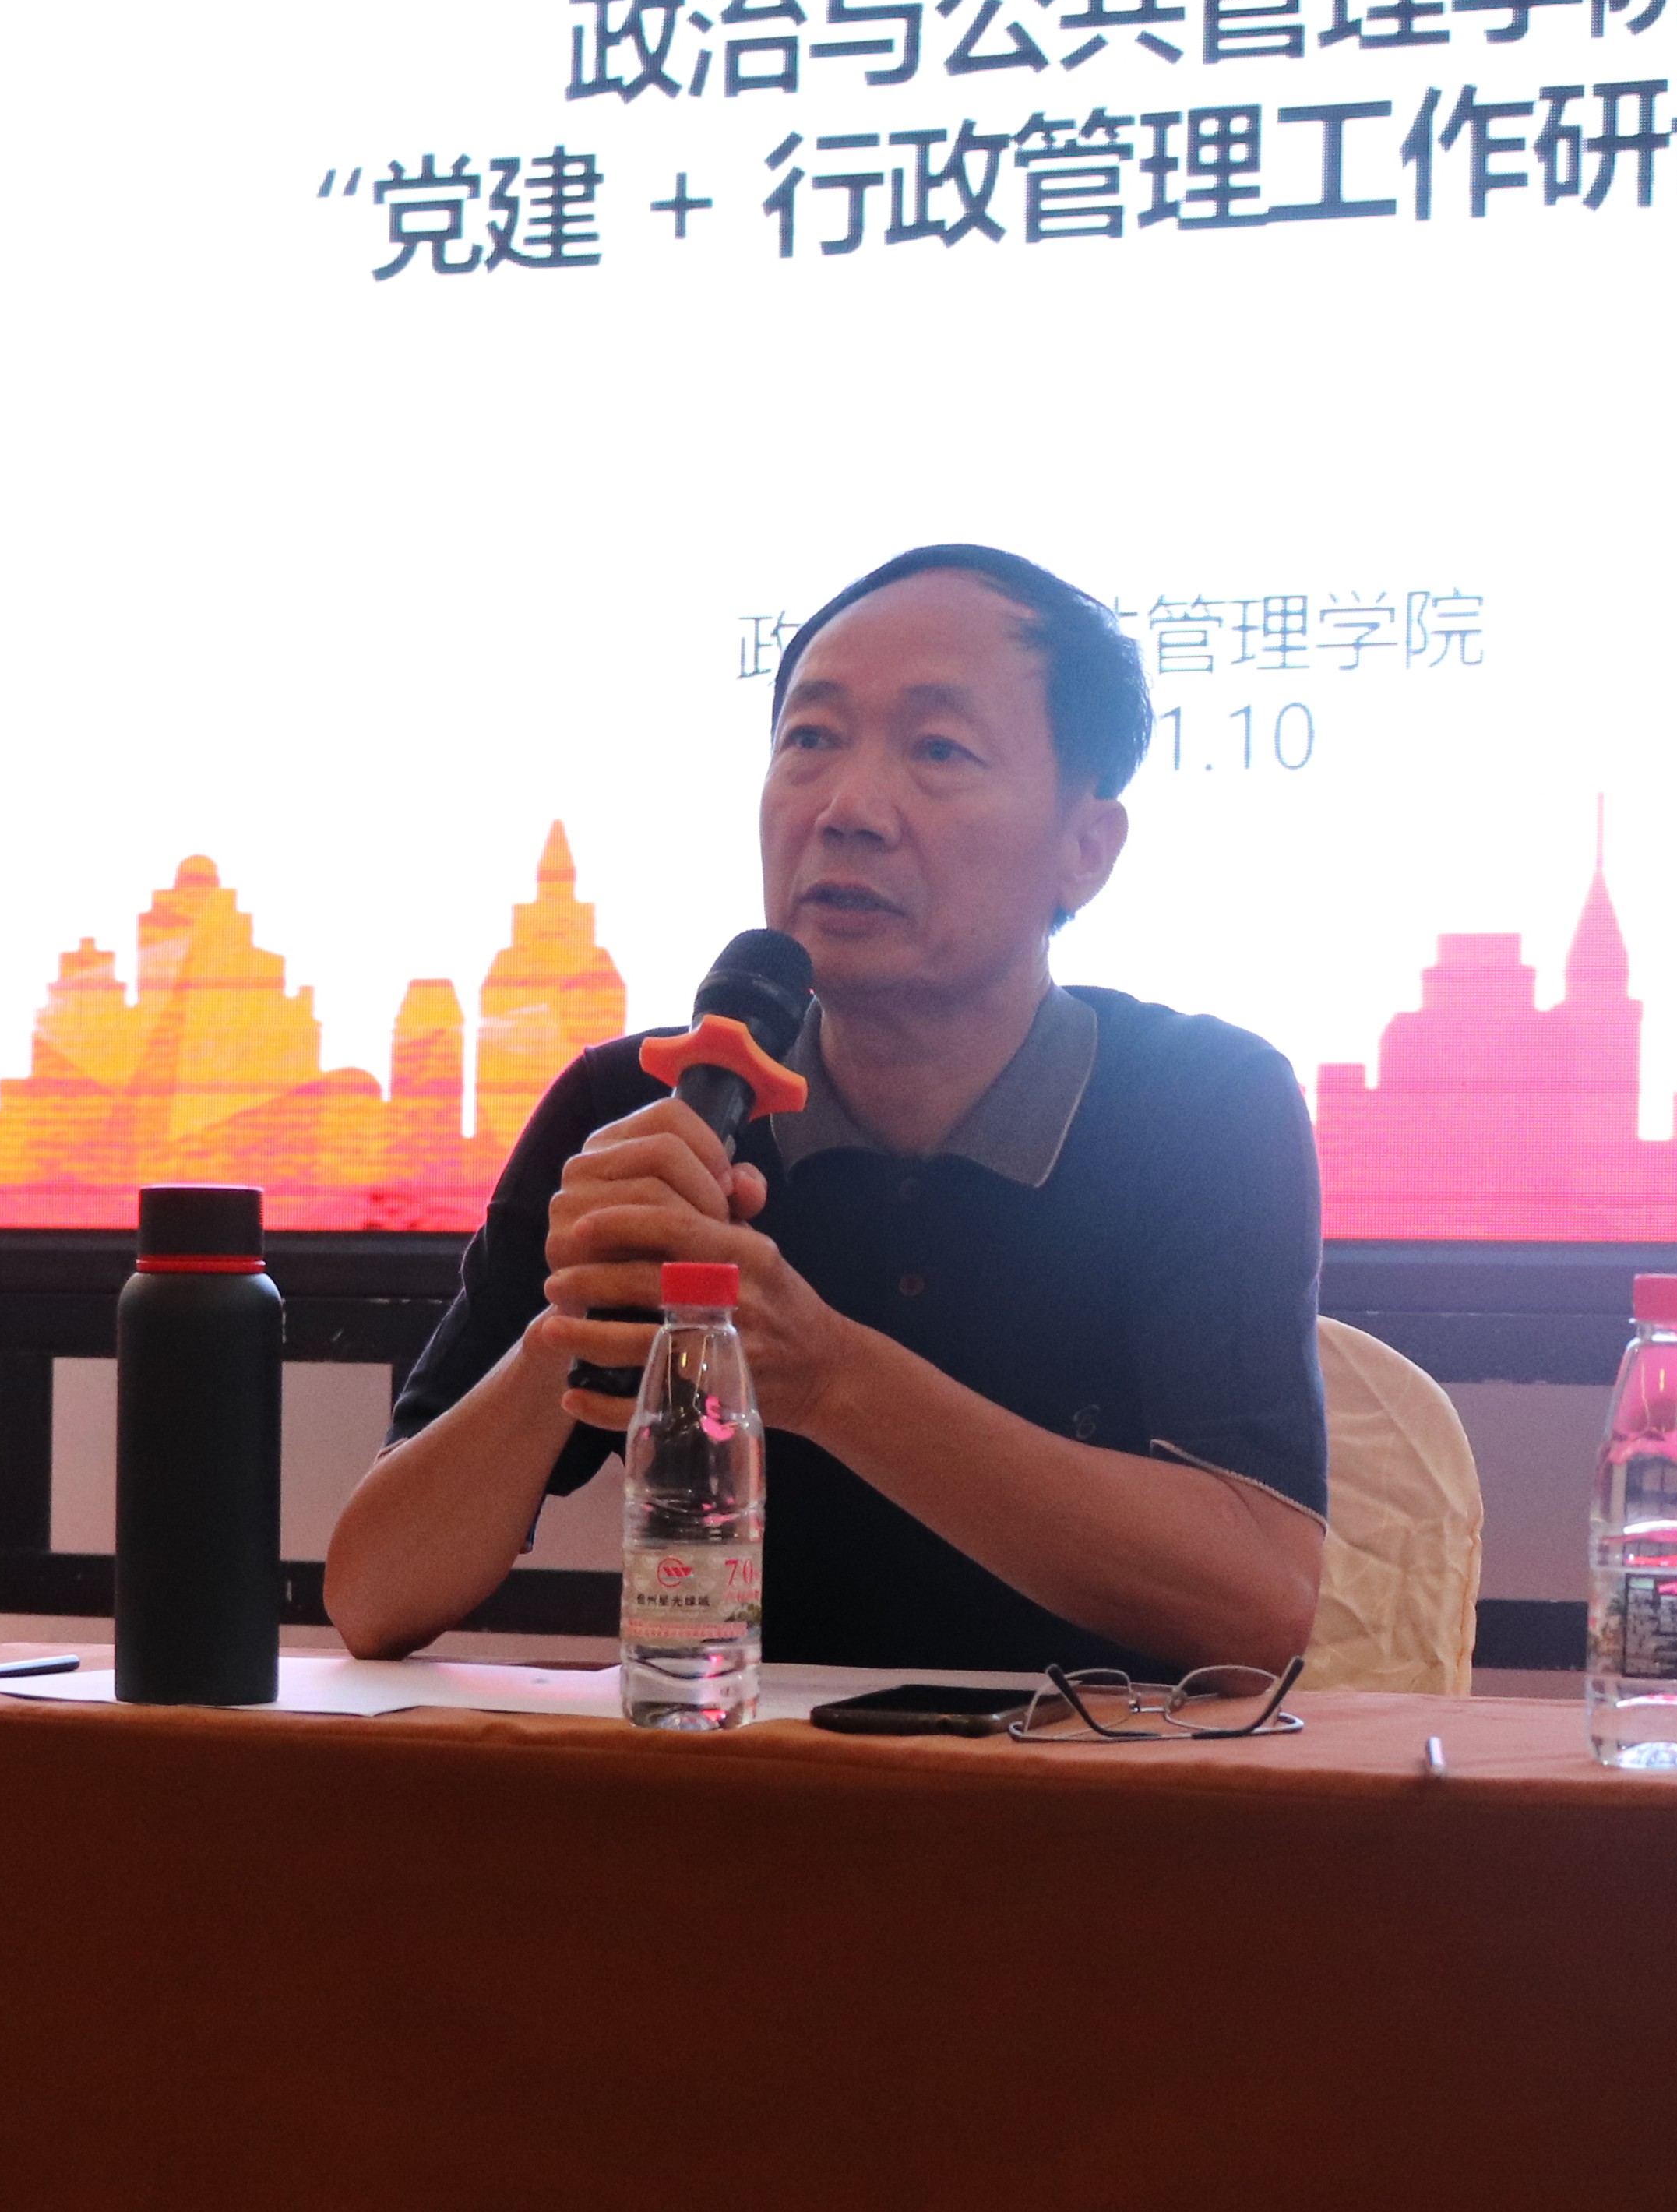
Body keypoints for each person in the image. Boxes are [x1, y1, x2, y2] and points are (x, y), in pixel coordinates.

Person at [325, 544, 1328, 1675]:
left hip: (1088, 1779)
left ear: (1086, 847)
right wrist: (570, 1323)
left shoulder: (1201, 1105)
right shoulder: (639, 1107)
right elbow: (373, 1594)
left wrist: (832, 1378)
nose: (847, 809)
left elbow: (1258, 1604)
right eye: (810, 740)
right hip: (739, 1775)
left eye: (938, 749)